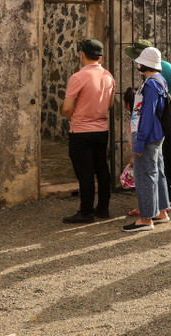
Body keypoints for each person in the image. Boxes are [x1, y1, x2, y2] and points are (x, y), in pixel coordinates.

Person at [124, 39, 171, 209]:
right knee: (165, 151)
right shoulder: (148, 73)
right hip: (165, 111)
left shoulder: (164, 68)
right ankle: (170, 193)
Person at [61, 39, 116, 223]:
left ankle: (86, 212)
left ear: (82, 55)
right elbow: (109, 104)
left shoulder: (77, 77)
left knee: (85, 172)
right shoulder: (109, 76)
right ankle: (103, 209)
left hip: (81, 131)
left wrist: (75, 118)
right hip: (101, 129)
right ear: (100, 56)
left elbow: (67, 108)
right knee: (102, 169)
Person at [124, 46, 171, 232]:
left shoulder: (151, 84)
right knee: (156, 171)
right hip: (155, 134)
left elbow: (147, 115)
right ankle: (161, 211)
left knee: (144, 175)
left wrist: (140, 141)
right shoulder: (160, 80)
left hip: (148, 135)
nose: (138, 64)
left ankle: (146, 219)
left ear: (146, 64)